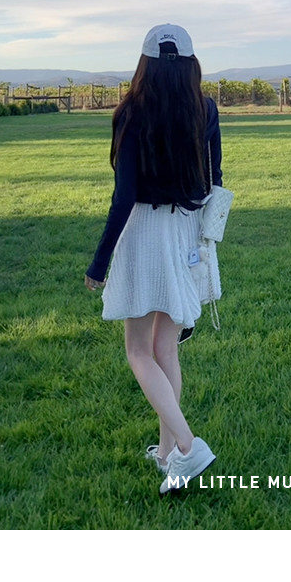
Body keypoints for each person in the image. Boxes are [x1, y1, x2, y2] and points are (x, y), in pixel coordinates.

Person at [85, 24, 222, 495]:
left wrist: (99, 263)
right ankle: (167, 457)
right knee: (166, 348)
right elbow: (215, 179)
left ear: (144, 64)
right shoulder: (205, 108)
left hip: (144, 232)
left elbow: (124, 197)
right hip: (184, 227)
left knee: (138, 350)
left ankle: (186, 445)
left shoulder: (132, 112)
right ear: (190, 64)